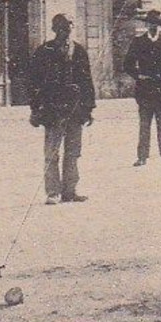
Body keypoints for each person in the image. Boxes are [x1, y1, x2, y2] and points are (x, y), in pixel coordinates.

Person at [29, 14, 97, 203]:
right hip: (53, 109)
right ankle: (53, 192)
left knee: (73, 151)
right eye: (61, 29)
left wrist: (89, 108)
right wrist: (35, 109)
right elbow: (33, 82)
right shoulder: (44, 51)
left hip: (75, 109)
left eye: (68, 29)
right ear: (54, 30)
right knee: (52, 152)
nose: (65, 33)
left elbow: (87, 81)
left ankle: (70, 190)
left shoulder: (79, 51)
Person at [124, 10, 161, 165]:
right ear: (146, 25)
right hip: (145, 88)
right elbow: (127, 64)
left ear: (159, 25)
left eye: (156, 24)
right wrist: (138, 75)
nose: (153, 27)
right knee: (145, 123)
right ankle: (142, 157)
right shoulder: (138, 42)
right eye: (150, 24)